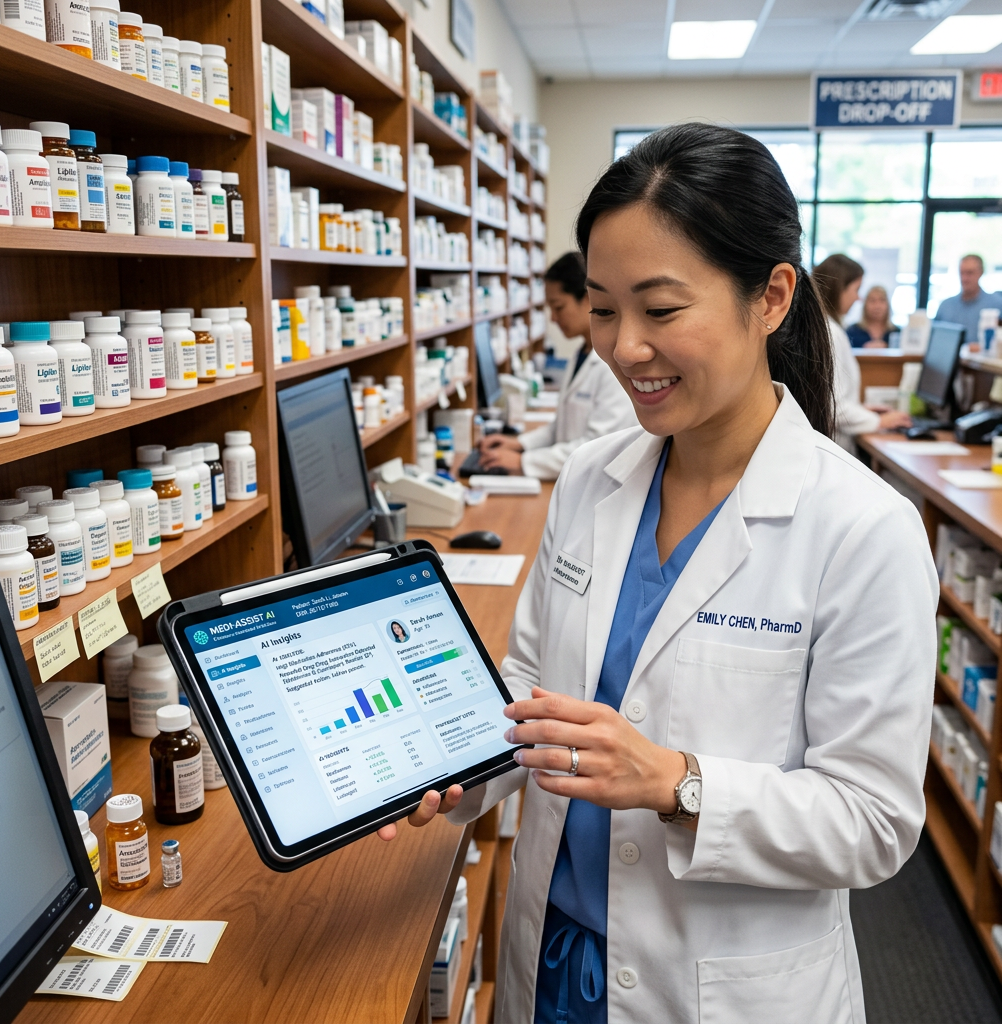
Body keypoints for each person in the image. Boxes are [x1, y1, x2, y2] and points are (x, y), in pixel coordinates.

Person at [378, 124, 938, 1024]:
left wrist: (677, 782)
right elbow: (532, 684)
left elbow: (872, 823)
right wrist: (451, 764)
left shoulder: (864, 530)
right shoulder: (593, 479)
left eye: (661, 309)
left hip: (720, 988)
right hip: (555, 955)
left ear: (772, 298)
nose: (624, 346)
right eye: (603, 308)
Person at [477, 251, 638, 479]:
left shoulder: (613, 363)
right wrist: (520, 444)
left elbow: (599, 446)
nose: (553, 318)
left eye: (558, 307)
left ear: (589, 299)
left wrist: (524, 462)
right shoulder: (581, 353)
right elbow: (561, 428)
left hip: (597, 486)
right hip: (574, 480)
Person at [813, 254, 910, 453]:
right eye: (856, 290)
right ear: (839, 289)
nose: (858, 298)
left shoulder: (823, 327)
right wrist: (879, 421)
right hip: (833, 447)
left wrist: (861, 411)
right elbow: (833, 408)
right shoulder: (831, 332)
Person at [935, 254, 1001, 344]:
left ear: (981, 273)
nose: (964, 278)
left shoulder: (996, 305)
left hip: (981, 357)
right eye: (962, 273)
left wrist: (981, 347)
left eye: (970, 273)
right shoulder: (945, 306)